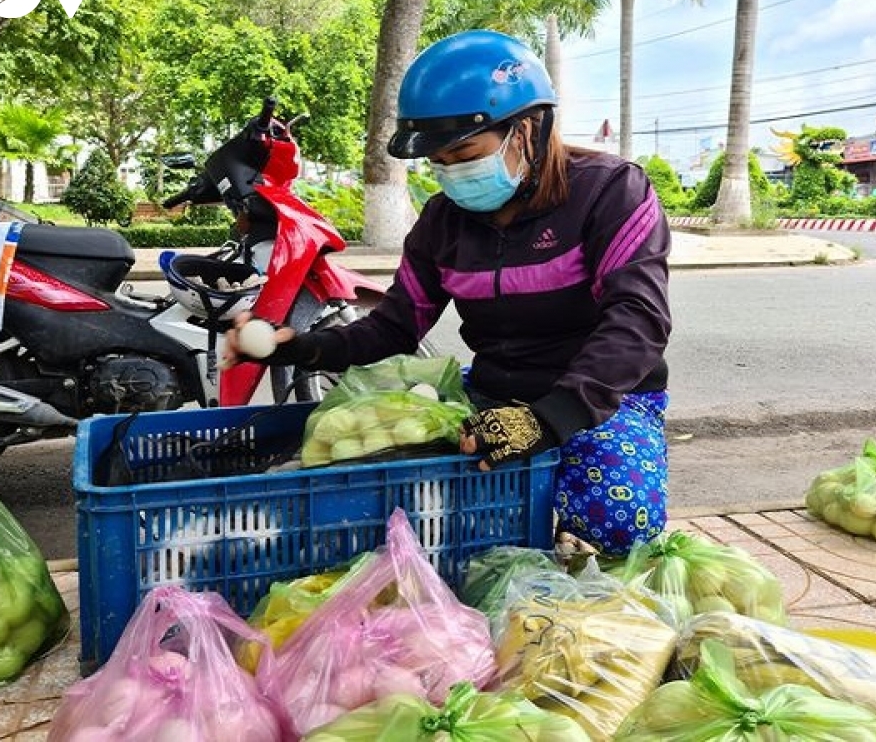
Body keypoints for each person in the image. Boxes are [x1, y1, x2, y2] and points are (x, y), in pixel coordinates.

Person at [224, 30, 673, 555]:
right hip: (492, 392)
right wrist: (299, 346)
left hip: (607, 397)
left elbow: (638, 320)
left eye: (465, 151)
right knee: (399, 494)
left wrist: (549, 419)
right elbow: (395, 325)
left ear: (527, 128)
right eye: (439, 161)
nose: (452, 172)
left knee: (617, 519)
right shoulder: (442, 223)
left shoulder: (610, 192)